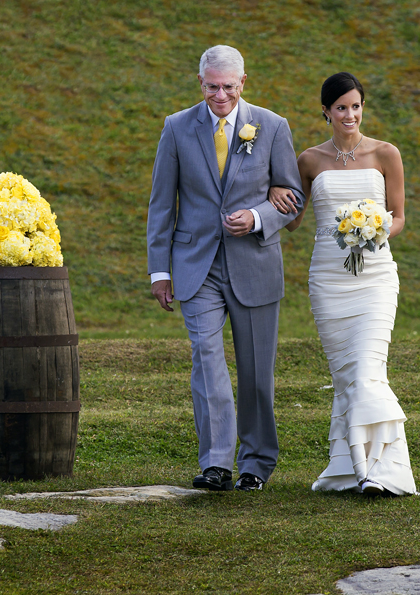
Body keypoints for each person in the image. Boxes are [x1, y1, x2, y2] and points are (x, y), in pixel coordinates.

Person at [147, 45, 305, 492]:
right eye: (212, 87)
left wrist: (256, 218)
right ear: (200, 83)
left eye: (228, 88)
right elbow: (162, 203)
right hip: (195, 266)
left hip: (255, 263)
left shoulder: (272, 127)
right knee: (207, 358)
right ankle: (216, 462)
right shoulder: (177, 128)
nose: (220, 96)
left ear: (244, 83)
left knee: (256, 371)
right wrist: (160, 271)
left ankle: (255, 463)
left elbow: (293, 199)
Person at [269, 72, 416, 496]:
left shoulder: (386, 154)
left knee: (369, 368)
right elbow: (294, 222)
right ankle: (357, 470)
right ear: (326, 112)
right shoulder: (309, 161)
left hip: (376, 278)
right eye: (340, 108)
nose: (349, 115)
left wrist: (376, 229)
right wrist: (275, 194)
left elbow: (400, 216)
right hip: (329, 281)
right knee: (348, 376)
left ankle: (380, 473)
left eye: (355, 106)